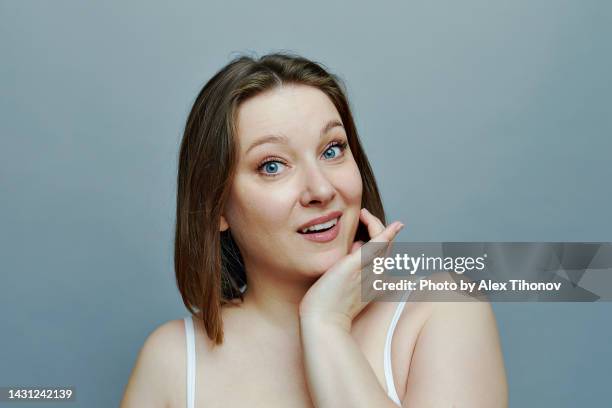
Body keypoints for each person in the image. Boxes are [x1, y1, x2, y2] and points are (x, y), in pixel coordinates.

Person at [120, 52, 508, 407]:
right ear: (216, 206)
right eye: (272, 165)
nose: (321, 190)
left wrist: (326, 327)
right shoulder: (172, 362)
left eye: (332, 149)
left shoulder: (442, 311)